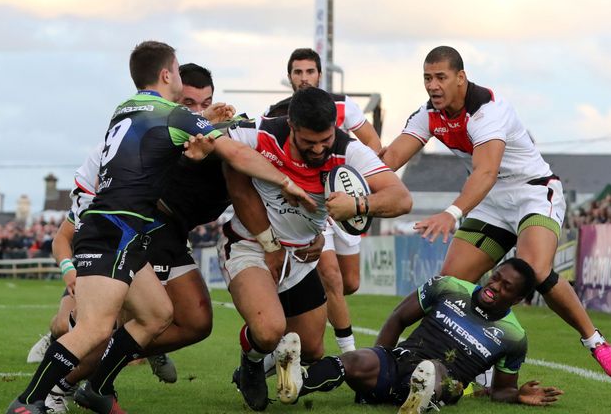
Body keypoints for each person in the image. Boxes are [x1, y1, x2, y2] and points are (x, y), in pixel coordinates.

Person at [5, 41, 315, 414]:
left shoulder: (126, 108)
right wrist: (286, 182)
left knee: (158, 315)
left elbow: (159, 155)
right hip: (116, 229)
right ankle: (29, 402)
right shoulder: (171, 114)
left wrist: (204, 128)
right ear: (167, 74)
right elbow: (237, 152)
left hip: (131, 232)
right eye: (179, 72)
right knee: (95, 329)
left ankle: (99, 387)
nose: (181, 80)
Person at [380, 46, 611, 379]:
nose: (433, 85)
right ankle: (441, 365)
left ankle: (595, 341)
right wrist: (354, 180)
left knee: (535, 271)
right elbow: (391, 157)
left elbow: (486, 172)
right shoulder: (427, 114)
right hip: (491, 201)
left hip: (532, 192)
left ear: (461, 78)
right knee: (450, 286)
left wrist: (452, 213)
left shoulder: (488, 111)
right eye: (427, 78)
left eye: (441, 77)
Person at [221, 86, 412, 411]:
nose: (320, 148)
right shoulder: (259, 134)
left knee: (311, 349)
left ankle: (255, 362)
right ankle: (252, 360)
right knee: (269, 331)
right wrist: (269, 243)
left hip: (303, 254)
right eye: (310, 143)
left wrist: (359, 203)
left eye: (325, 139)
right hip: (250, 244)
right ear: (291, 126)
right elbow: (237, 185)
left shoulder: (347, 149)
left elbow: (402, 198)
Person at [272, 258, 563, 411]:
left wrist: (518, 396)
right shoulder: (448, 286)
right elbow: (398, 318)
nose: (495, 286)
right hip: (401, 359)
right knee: (354, 360)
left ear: (517, 299)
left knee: (432, 371)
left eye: (506, 287)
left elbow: (500, 390)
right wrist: (379, 356)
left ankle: (417, 402)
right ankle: (299, 383)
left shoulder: (513, 337)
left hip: (444, 381)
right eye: (496, 277)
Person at [266, 48, 383, 353]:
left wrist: (354, 180)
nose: (304, 78)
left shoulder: (344, 106)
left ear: (320, 74)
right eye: (297, 72)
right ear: (289, 76)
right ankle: (349, 355)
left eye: (309, 71)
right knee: (330, 275)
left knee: (349, 282)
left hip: (345, 199)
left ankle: (305, 308)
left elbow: (373, 143)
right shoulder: (280, 112)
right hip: (313, 206)